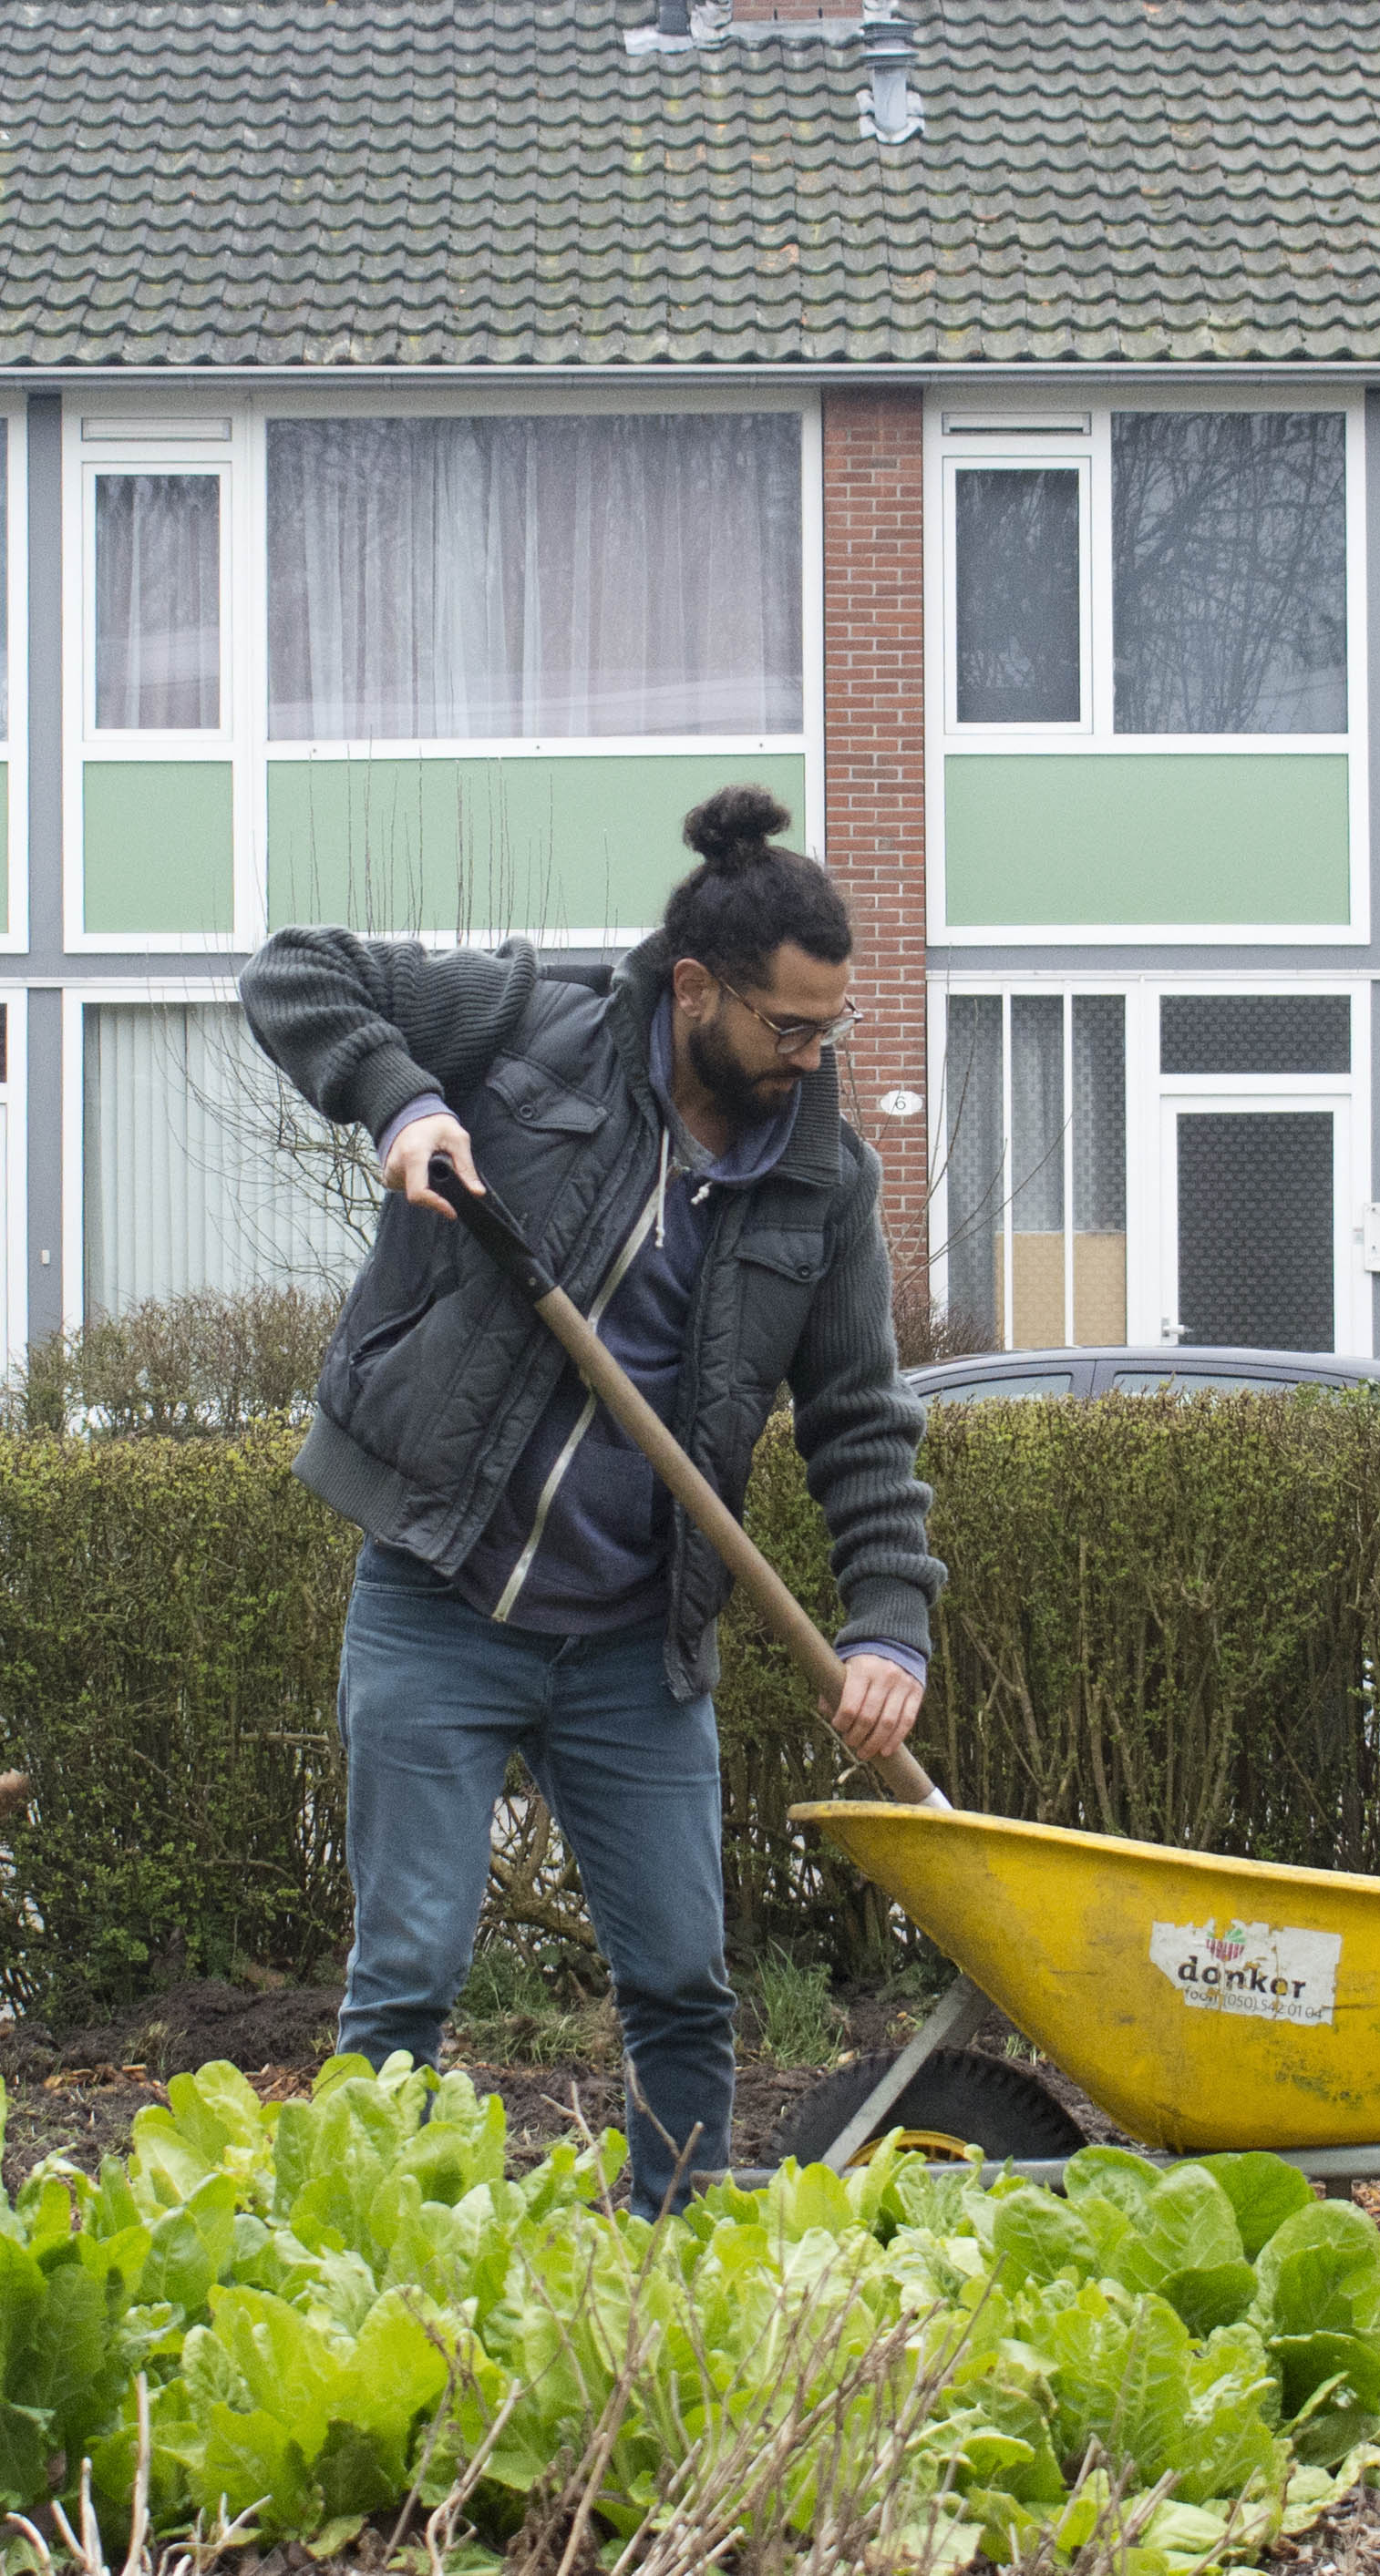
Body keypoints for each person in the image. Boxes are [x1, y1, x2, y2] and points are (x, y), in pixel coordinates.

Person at [239, 785, 941, 2212]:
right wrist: (407, 1098)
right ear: (695, 990)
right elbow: (295, 973)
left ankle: (671, 2269)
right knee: (409, 1980)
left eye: (829, 1032)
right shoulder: (530, 1028)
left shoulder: (821, 1182)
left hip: (633, 1640)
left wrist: (887, 1624)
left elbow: (860, 1419)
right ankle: (376, 2279)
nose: (809, 1060)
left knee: (682, 1982)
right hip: (442, 1597)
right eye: (784, 1028)